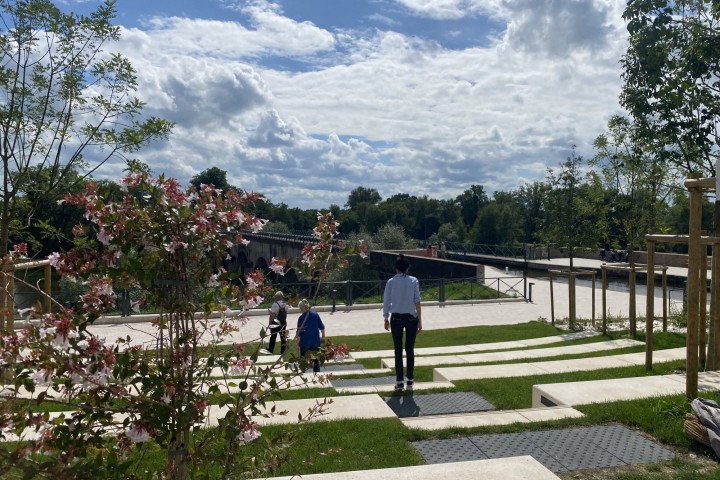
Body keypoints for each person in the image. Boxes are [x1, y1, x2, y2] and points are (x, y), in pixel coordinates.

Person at [383, 254, 422, 391]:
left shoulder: (391, 282)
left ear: (396, 268)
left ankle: (399, 381)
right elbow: (417, 300)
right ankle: (410, 380)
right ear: (407, 268)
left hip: (396, 318)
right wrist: (420, 320)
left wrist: (385, 317)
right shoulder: (414, 280)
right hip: (411, 317)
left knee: (398, 349)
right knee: (410, 349)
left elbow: (386, 301)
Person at [295, 298, 326, 373]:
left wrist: (297, 344)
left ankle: (303, 373)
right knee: (316, 360)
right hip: (315, 341)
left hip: (305, 343)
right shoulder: (315, 315)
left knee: (303, 360)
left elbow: (299, 333)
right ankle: (317, 374)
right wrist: (323, 336)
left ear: (302, 308)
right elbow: (321, 327)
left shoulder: (301, 318)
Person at [267, 291, 289, 355]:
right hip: (283, 322)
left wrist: (270, 324)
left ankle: (270, 350)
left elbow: (272, 316)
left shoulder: (275, 304)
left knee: (273, 336)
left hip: (275, 322)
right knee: (283, 337)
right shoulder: (285, 305)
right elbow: (285, 314)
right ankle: (283, 351)